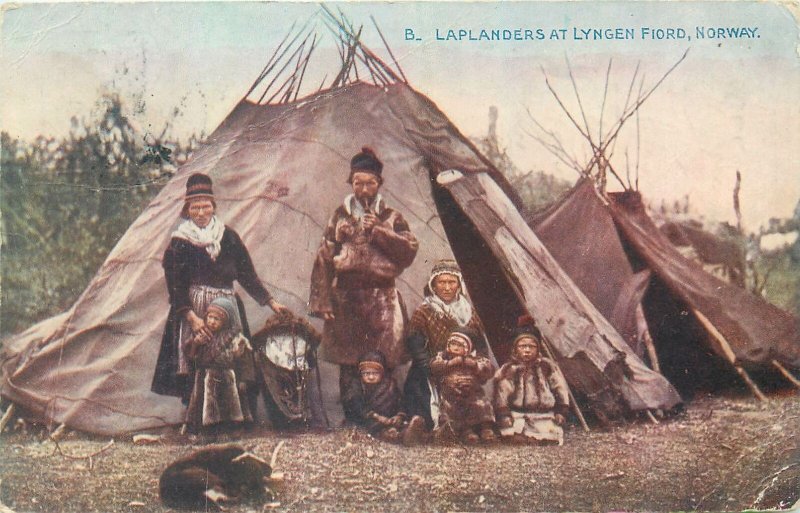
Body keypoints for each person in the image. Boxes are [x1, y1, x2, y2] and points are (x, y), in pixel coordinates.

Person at [152, 173, 288, 404]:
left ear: (213, 207)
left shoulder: (228, 237)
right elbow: (175, 287)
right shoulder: (179, 242)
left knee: (232, 357)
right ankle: (197, 418)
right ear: (187, 210)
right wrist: (192, 318)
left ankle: (233, 415)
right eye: (195, 208)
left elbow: (247, 274)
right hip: (194, 309)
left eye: (205, 207)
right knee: (197, 356)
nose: (201, 213)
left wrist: (270, 301)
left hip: (227, 308)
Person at [308, 147, 419, 421]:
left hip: (382, 297)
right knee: (348, 361)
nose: (364, 189)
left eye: (370, 183)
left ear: (379, 184)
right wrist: (323, 301)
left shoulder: (391, 216)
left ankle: (388, 414)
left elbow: (409, 251)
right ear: (351, 183)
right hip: (346, 296)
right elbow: (324, 256)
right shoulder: (339, 216)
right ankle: (355, 416)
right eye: (358, 182)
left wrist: (379, 232)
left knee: (384, 359)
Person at [404, 259, 489, 428]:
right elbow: (415, 343)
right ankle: (423, 425)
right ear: (433, 286)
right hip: (430, 368)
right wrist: (430, 366)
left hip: (462, 368)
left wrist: (477, 364)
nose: (447, 287)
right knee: (422, 403)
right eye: (442, 282)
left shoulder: (469, 312)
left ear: (459, 285)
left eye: (452, 282)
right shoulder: (424, 311)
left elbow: (480, 346)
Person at [183, 297, 252, 434]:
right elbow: (190, 355)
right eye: (210, 317)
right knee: (203, 403)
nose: (212, 322)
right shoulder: (202, 334)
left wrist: (243, 379)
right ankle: (204, 431)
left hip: (226, 376)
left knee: (228, 404)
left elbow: (244, 360)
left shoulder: (234, 337)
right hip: (205, 376)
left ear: (225, 322)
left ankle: (227, 431)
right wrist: (196, 343)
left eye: (217, 319)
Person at [492, 326, 570, 445]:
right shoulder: (509, 369)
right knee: (512, 433)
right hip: (518, 414)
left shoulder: (546, 366)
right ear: (515, 349)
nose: (527, 350)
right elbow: (502, 394)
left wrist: (561, 411)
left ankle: (537, 439)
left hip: (543, 414)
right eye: (523, 346)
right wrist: (504, 415)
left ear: (538, 349)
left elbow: (560, 388)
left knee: (550, 434)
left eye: (532, 346)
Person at [341, 350, 427, 445]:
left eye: (375, 373)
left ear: (382, 373)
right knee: (379, 430)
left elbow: (399, 402)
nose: (371, 377)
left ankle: (417, 432)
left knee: (401, 425)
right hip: (367, 420)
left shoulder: (389, 385)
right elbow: (356, 405)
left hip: (388, 419)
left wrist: (399, 416)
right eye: (367, 373)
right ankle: (401, 437)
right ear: (361, 374)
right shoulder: (356, 386)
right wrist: (376, 416)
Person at [429, 328, 496, 444]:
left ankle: (486, 429)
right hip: (451, 394)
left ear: (467, 348)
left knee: (482, 405)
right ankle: (466, 432)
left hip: (473, 393)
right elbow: (434, 368)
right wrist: (449, 364)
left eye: (459, 345)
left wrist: (475, 366)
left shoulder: (474, 359)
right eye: (452, 344)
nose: (455, 348)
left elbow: (488, 370)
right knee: (453, 410)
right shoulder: (442, 357)